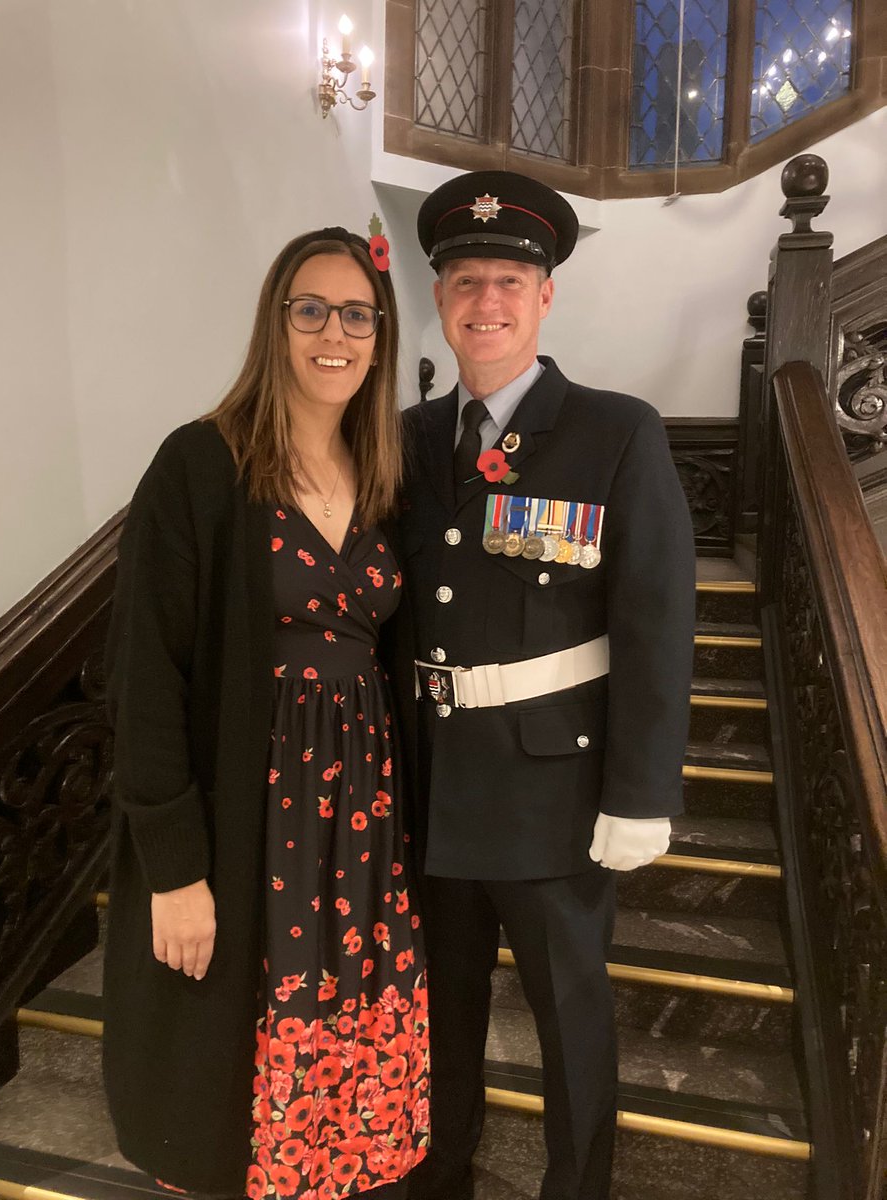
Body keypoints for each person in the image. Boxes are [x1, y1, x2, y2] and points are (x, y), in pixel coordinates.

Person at [103, 225, 430, 1200]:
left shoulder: (385, 483)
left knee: (342, 1089)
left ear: (380, 335)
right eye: (312, 309)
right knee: (209, 1087)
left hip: (360, 830)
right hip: (248, 819)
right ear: (277, 324)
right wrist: (175, 867)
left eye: (358, 315)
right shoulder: (203, 465)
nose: (336, 332)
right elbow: (146, 673)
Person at [394, 172, 695, 1200]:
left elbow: (655, 623)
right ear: (440, 299)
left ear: (546, 297)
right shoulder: (406, 441)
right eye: (467, 280)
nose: (487, 301)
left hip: (555, 797)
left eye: (509, 281)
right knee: (444, 1011)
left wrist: (641, 793)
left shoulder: (615, 432)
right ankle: (442, 1172)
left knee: (572, 1016)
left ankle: (578, 1186)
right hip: (432, 791)